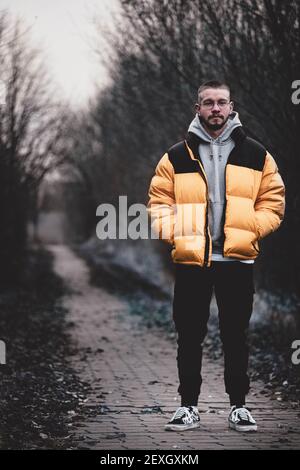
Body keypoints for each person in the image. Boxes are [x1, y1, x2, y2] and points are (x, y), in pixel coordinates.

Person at [147, 80, 285, 432]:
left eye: (221, 102)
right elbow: (159, 203)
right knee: (189, 334)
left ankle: (239, 406)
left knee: (236, 334)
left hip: (237, 261)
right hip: (193, 261)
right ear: (198, 109)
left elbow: (274, 202)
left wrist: (250, 227)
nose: (215, 109)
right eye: (208, 103)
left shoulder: (256, 153)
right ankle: (187, 407)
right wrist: (177, 233)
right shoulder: (176, 156)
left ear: (231, 106)